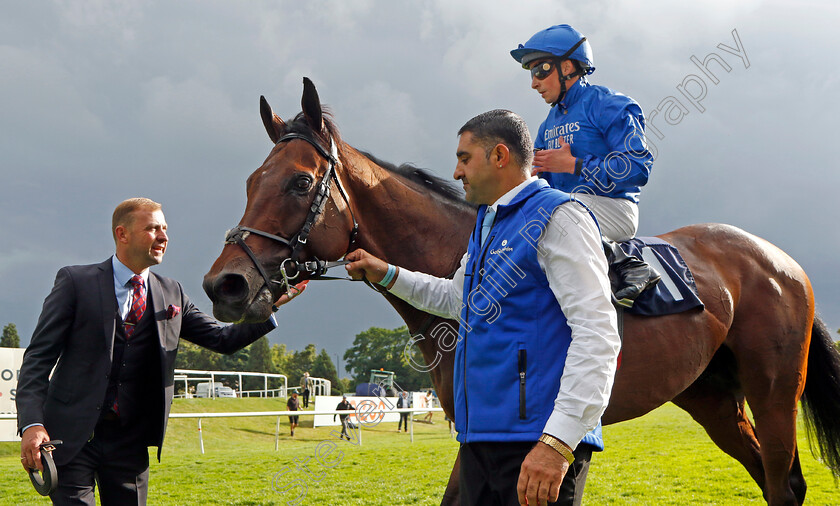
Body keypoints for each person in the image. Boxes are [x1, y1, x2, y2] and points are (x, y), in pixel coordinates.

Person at [345, 110, 620, 506]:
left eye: (464, 158)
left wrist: (558, 442)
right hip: (480, 440)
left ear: (500, 156)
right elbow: (457, 301)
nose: (456, 172)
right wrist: (386, 273)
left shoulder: (560, 216)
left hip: (537, 442)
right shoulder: (487, 224)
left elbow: (597, 333)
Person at [15, 197, 306, 505]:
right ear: (122, 234)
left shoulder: (172, 292)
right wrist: (32, 424)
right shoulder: (76, 281)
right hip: (70, 439)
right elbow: (38, 358)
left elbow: (223, 340)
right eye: (153, 228)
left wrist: (269, 305)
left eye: (165, 229)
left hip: (131, 443)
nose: (164, 237)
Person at [511, 24, 659, 302]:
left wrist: (574, 165)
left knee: (555, 210)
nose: (534, 82)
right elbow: (543, 187)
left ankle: (630, 265)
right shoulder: (547, 126)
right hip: (566, 210)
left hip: (615, 209)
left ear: (567, 67)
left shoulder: (610, 105)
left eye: (539, 70)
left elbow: (638, 169)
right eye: (530, 73)